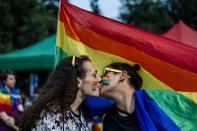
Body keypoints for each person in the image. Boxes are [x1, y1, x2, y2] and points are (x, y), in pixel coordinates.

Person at [85, 62, 181, 131]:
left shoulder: (156, 101)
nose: (99, 80)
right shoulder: (110, 120)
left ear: (122, 76)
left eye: (105, 74)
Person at [20, 55, 101, 131]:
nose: (100, 79)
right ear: (78, 81)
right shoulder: (54, 116)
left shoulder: (77, 111)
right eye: (94, 75)